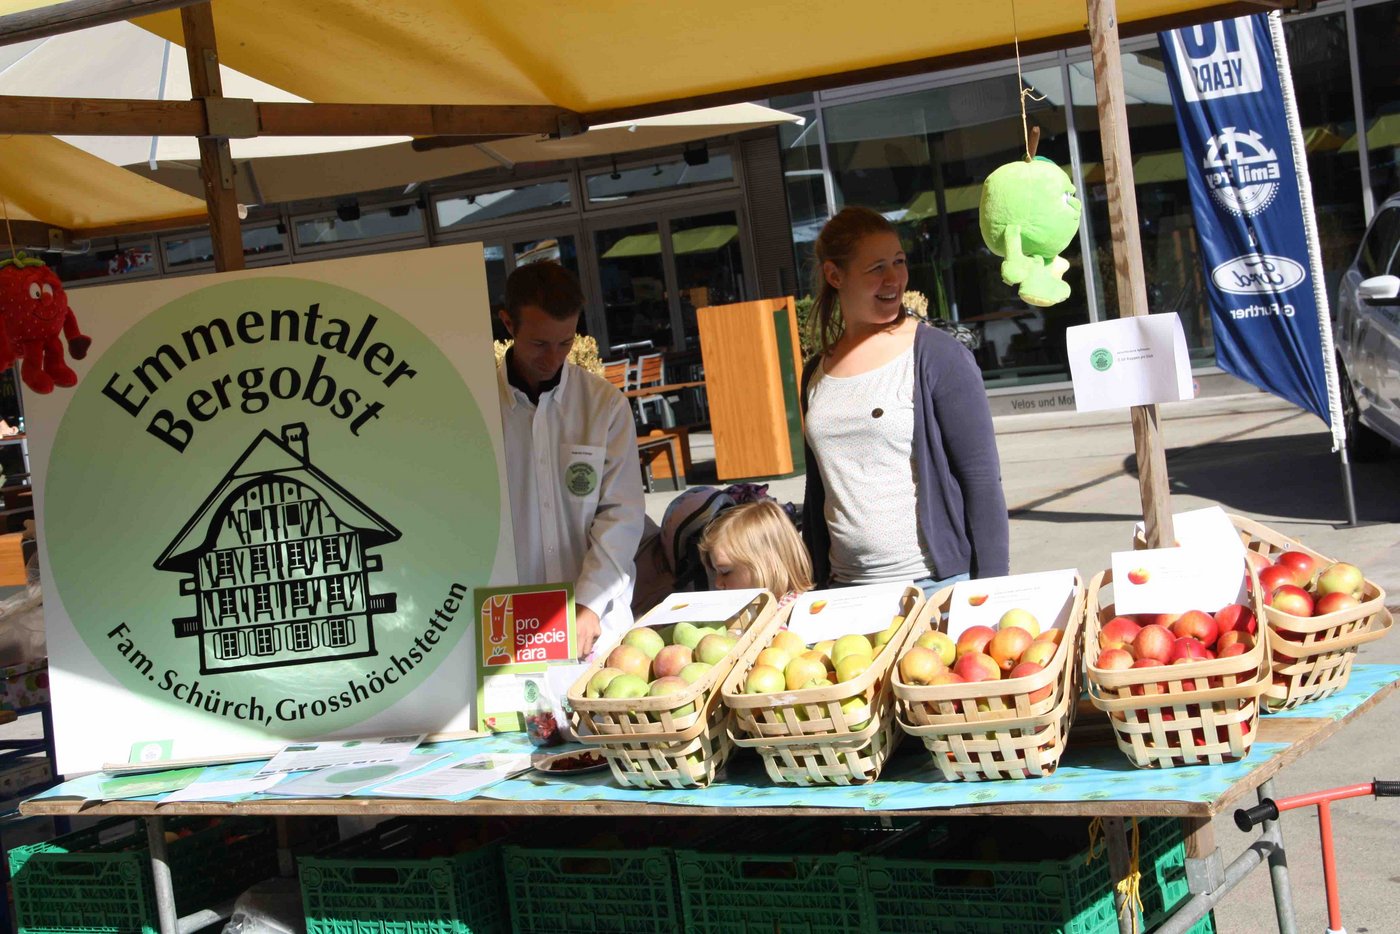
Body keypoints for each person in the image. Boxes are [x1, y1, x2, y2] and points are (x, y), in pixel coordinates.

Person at [800, 207, 1009, 595]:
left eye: (899, 262)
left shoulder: (937, 355)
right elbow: (818, 491)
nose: (894, 278)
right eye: (877, 267)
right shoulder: (816, 371)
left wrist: (992, 592)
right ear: (834, 275)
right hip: (845, 589)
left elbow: (981, 481)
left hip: (934, 586)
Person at [497, 261, 646, 659]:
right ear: (508, 324)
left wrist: (588, 603)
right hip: (509, 620)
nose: (553, 358)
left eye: (565, 343)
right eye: (540, 344)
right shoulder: (478, 408)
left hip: (597, 625)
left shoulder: (604, 407)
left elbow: (622, 515)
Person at [698, 500, 813, 606]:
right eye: (716, 572)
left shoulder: (792, 615)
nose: (717, 583)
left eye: (725, 572)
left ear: (768, 565)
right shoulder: (749, 607)